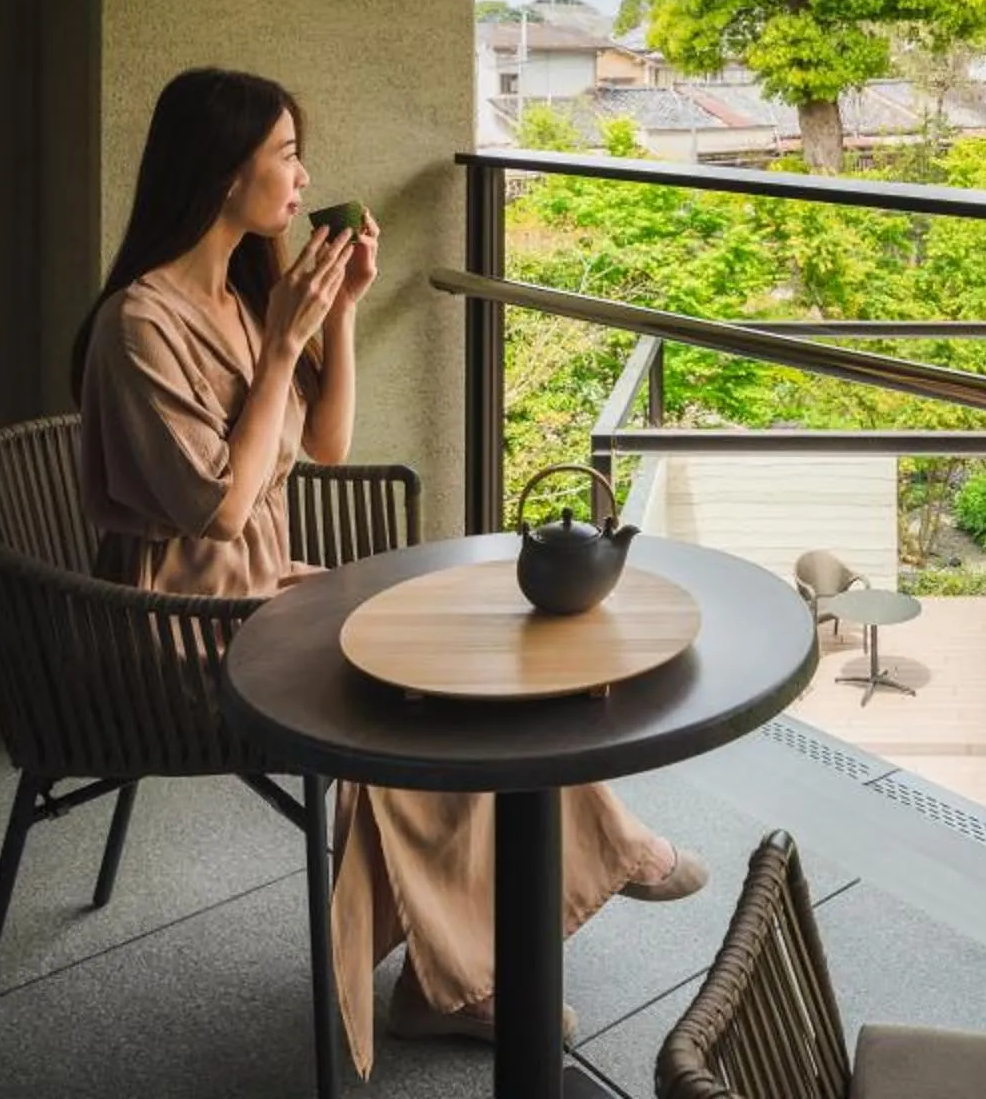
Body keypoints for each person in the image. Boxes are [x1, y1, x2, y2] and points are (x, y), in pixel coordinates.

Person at [70, 67, 704, 1071]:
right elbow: (220, 508)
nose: (303, 177)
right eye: (286, 156)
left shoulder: (243, 295)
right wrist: (282, 346)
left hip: (262, 595)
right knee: (398, 692)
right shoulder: (138, 324)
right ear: (223, 172)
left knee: (458, 649)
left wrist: (338, 314)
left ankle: (467, 958)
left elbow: (323, 445)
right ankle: (461, 976)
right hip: (181, 627)